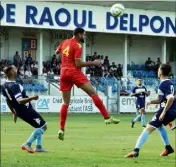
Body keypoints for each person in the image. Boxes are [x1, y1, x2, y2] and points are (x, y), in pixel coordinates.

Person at [55, 28, 120, 141]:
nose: (84, 37)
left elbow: (57, 51)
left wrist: (64, 53)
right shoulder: (78, 45)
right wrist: (93, 63)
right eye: (83, 35)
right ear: (79, 34)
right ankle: (106, 117)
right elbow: (78, 64)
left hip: (63, 73)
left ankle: (61, 129)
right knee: (93, 93)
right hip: (73, 72)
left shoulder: (64, 42)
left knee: (65, 103)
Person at [125, 64, 176, 158]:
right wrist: (151, 101)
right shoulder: (169, 83)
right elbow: (161, 99)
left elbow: (171, 98)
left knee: (148, 128)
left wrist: (164, 112)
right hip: (173, 111)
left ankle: (135, 151)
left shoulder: (164, 84)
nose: (157, 71)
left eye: (158, 70)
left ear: (160, 72)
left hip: (166, 111)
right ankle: (168, 148)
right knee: (159, 126)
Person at [1, 65, 47, 153]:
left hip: (20, 111)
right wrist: (32, 98)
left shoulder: (4, 86)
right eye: (15, 68)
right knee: (44, 126)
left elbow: (8, 101)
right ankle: (28, 144)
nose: (16, 69)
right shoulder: (14, 85)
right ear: (11, 72)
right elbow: (20, 100)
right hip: (26, 110)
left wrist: (14, 113)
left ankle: (38, 146)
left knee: (38, 126)